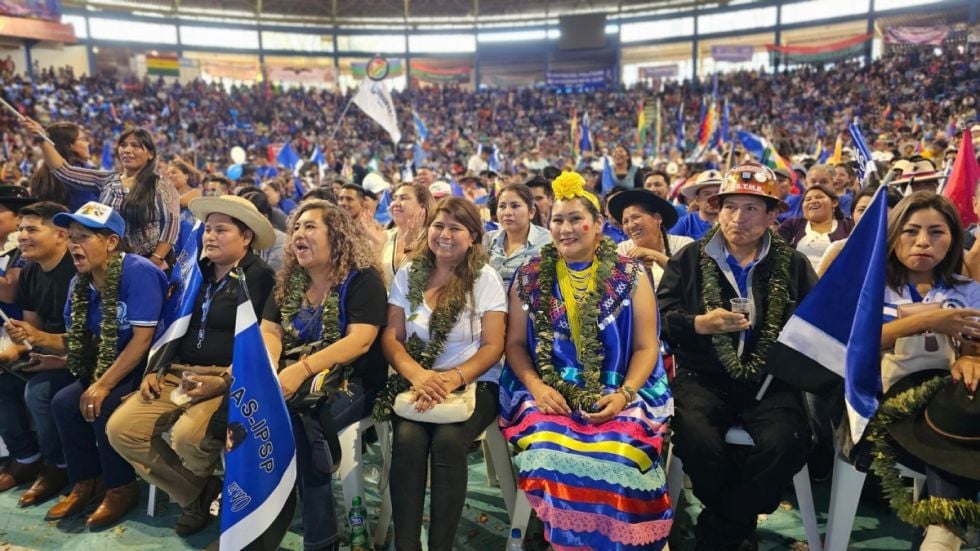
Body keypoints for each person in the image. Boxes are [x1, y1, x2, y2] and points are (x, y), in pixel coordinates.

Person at [497, 171, 673, 549]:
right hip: (545, 388)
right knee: (547, 449)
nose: (566, 228)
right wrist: (538, 387)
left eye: (577, 219)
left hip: (623, 386)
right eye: (558, 220)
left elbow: (646, 347)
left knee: (621, 456)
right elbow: (514, 345)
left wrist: (624, 394)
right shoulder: (529, 276)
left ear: (597, 227)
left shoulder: (630, 274)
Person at [657, 163, 817, 549]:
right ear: (718, 209)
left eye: (751, 209)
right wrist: (699, 323)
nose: (738, 218)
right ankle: (737, 525)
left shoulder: (794, 265)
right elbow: (660, 318)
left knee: (787, 441)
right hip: (702, 377)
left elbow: (813, 329)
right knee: (695, 438)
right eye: (730, 207)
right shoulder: (690, 259)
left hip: (771, 381)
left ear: (771, 215)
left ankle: (720, 529)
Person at [106, 195, 276, 537]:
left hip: (224, 376)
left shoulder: (261, 279)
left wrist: (224, 381)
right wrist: (154, 369)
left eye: (221, 230)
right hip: (176, 371)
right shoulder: (192, 273)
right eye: (208, 229)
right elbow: (171, 326)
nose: (210, 236)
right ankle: (198, 493)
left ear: (246, 238)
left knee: (188, 438)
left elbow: (261, 344)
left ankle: (193, 498)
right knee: (121, 430)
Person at [6, 202, 168, 528]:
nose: (74, 244)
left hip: (148, 364)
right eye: (72, 237)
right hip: (106, 361)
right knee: (63, 403)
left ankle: (120, 487)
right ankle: (86, 481)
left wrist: (104, 383)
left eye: (84, 237)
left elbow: (142, 339)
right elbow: (79, 340)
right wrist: (36, 336)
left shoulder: (138, 271)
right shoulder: (78, 283)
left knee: (101, 403)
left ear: (111, 242)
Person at [374, 197, 506, 551]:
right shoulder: (408, 273)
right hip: (418, 380)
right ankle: (406, 546)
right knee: (409, 441)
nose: (444, 235)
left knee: (448, 443)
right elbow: (391, 337)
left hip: (475, 383)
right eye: (438, 226)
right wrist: (418, 374)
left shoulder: (485, 278)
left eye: (455, 228)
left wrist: (453, 378)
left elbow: (494, 346)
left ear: (473, 237)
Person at [260, 200, 387, 551]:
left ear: (337, 235)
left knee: (303, 425)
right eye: (296, 227)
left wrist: (300, 370)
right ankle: (258, 515)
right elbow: (269, 329)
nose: (298, 233)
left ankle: (320, 540)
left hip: (354, 382)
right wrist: (273, 367)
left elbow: (360, 341)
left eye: (309, 227)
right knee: (257, 414)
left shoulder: (363, 280)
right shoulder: (290, 279)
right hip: (293, 376)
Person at [874, 191, 980, 550]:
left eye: (937, 232)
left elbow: (976, 344)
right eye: (910, 231)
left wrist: (971, 357)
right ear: (892, 236)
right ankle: (946, 529)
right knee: (952, 417)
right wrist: (929, 321)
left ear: (952, 239)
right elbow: (852, 344)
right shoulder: (873, 287)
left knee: (958, 406)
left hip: (951, 400)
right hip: (882, 402)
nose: (923, 242)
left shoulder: (968, 290)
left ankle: (943, 529)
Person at [22, 121, 179, 270]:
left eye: (135, 146)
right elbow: (64, 172)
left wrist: (155, 260)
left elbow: (171, 223)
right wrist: (41, 139)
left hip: (149, 262)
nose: (127, 150)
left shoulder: (160, 184)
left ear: (150, 154)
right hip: (110, 263)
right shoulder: (107, 179)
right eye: (123, 145)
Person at [0, 202, 73, 507]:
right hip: (46, 354)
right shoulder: (31, 271)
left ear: (60, 235)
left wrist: (38, 342)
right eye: (21, 230)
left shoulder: (77, 270)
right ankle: (26, 456)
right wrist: (8, 353)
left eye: (32, 229)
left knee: (38, 392)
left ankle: (58, 467)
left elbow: (88, 341)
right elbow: (31, 333)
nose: (23, 237)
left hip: (75, 358)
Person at [609, 188, 693, 288]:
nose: (631, 225)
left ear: (658, 218)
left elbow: (691, 281)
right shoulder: (621, 251)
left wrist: (654, 255)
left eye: (636, 217)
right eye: (625, 222)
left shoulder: (683, 245)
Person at [483, 184, 550, 288]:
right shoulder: (488, 240)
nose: (507, 212)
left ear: (531, 212)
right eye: (502, 206)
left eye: (515, 206)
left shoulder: (547, 241)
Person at [777, 184, 854, 270]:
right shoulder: (793, 224)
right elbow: (775, 251)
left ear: (834, 202)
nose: (813, 201)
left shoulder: (847, 226)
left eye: (819, 197)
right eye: (808, 199)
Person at [27, 122, 96, 210]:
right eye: (83, 139)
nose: (88, 143)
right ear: (70, 145)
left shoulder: (40, 175)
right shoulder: (81, 172)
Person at [381, 182, 433, 287]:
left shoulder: (432, 237)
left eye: (403, 198)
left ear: (422, 205)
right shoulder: (383, 236)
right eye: (394, 198)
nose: (396, 203)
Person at [670, 170, 722, 240]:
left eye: (717, 193)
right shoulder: (685, 223)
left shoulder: (732, 222)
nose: (713, 199)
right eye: (707, 194)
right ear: (697, 199)